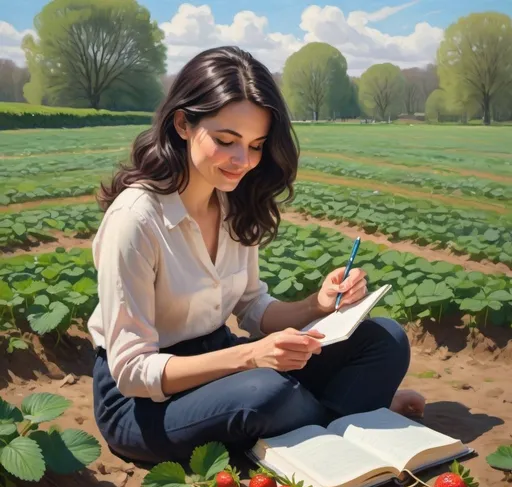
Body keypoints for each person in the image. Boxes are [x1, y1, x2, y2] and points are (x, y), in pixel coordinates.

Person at [88, 45, 425, 465]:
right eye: (226, 141)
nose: (242, 161)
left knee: (385, 340)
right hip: (143, 406)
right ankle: (355, 415)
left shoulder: (232, 204)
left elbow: (252, 307)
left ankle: (327, 420)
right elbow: (134, 372)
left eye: (256, 145)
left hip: (224, 366)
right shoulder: (135, 220)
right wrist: (250, 357)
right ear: (182, 123)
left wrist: (315, 304)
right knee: (266, 392)